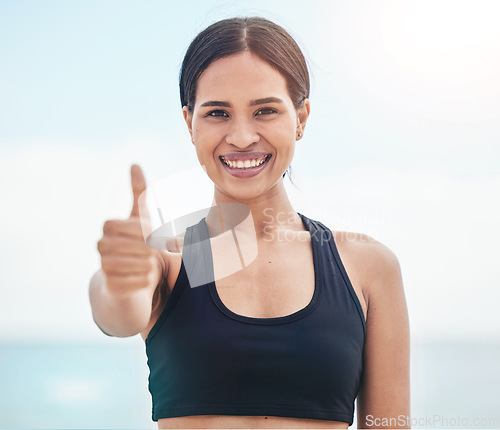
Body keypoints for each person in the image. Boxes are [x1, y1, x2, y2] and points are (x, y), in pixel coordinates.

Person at [89, 16, 410, 429]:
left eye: (265, 111)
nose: (241, 137)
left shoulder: (366, 266)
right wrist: (117, 283)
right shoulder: (168, 259)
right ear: (190, 123)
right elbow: (117, 314)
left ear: (300, 118)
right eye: (218, 112)